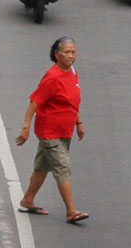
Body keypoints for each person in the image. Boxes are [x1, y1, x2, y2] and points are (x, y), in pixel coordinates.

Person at [15, 37, 89, 224]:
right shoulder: (53, 77)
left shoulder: (72, 71)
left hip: (65, 130)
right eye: (67, 52)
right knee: (62, 167)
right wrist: (26, 128)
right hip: (50, 132)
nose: (71, 56)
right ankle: (71, 211)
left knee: (42, 167)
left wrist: (78, 122)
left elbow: (73, 100)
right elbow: (35, 101)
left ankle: (28, 200)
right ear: (57, 54)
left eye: (73, 52)